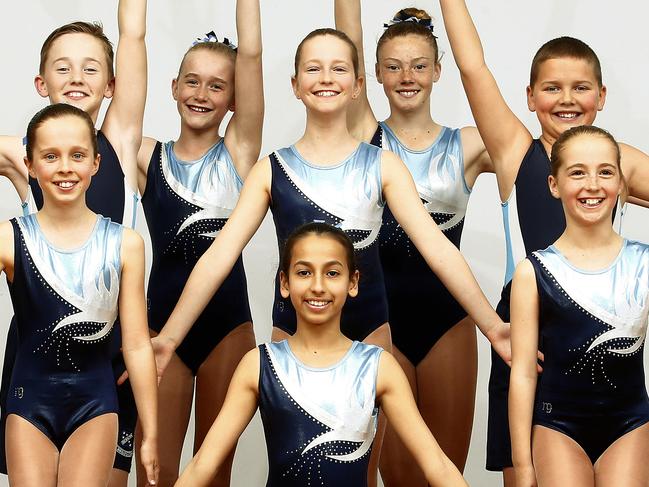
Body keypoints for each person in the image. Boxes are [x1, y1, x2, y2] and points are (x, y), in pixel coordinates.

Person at [151, 27, 509, 486]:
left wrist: (492, 326)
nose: (326, 78)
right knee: (297, 460)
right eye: (313, 69)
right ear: (296, 84)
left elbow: (437, 248)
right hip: (293, 333)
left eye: (339, 68)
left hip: (371, 334)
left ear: (358, 84)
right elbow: (221, 253)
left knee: (357, 472)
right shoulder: (273, 169)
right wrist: (170, 338)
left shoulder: (380, 164)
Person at [437, 0, 649, 483]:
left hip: (600, 350)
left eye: (580, 88)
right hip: (526, 347)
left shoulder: (618, 163)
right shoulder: (516, 151)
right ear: (530, 97)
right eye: (552, 88)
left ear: (602, 95)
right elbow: (472, 68)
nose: (566, 99)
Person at [173, 222, 469, 487]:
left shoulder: (377, 367)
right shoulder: (261, 365)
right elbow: (203, 465)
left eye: (332, 273)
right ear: (285, 283)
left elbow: (438, 466)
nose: (317, 286)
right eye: (304, 272)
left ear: (352, 283)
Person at [334, 2, 495, 480]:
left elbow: (544, 159)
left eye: (420, 66)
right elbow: (349, 36)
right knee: (399, 475)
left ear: (437, 72)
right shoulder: (365, 135)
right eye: (394, 66)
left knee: (446, 473)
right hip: (382, 321)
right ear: (374, 76)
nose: (408, 76)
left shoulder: (467, 144)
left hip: (448, 322)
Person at [0, 2, 147, 482]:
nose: (77, 76)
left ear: (111, 86)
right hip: (36, 353)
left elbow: (134, 34)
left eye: (92, 68)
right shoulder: (23, 153)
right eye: (63, 67)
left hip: (109, 354)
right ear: (41, 83)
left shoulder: (119, 140)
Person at [134, 0, 263, 485]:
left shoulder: (240, 151)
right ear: (173, 87)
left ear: (234, 98)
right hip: (160, 325)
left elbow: (251, 54)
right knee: (156, 470)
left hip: (227, 328)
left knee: (212, 474)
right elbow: (128, 61)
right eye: (192, 80)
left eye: (217, 85)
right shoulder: (146, 156)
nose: (201, 93)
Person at [509, 125, 649, 487]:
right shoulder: (535, 271)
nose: (592, 185)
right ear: (554, 185)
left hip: (630, 424)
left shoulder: (643, 264)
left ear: (621, 184)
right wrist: (523, 465)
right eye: (577, 173)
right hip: (559, 427)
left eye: (606, 172)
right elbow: (523, 373)